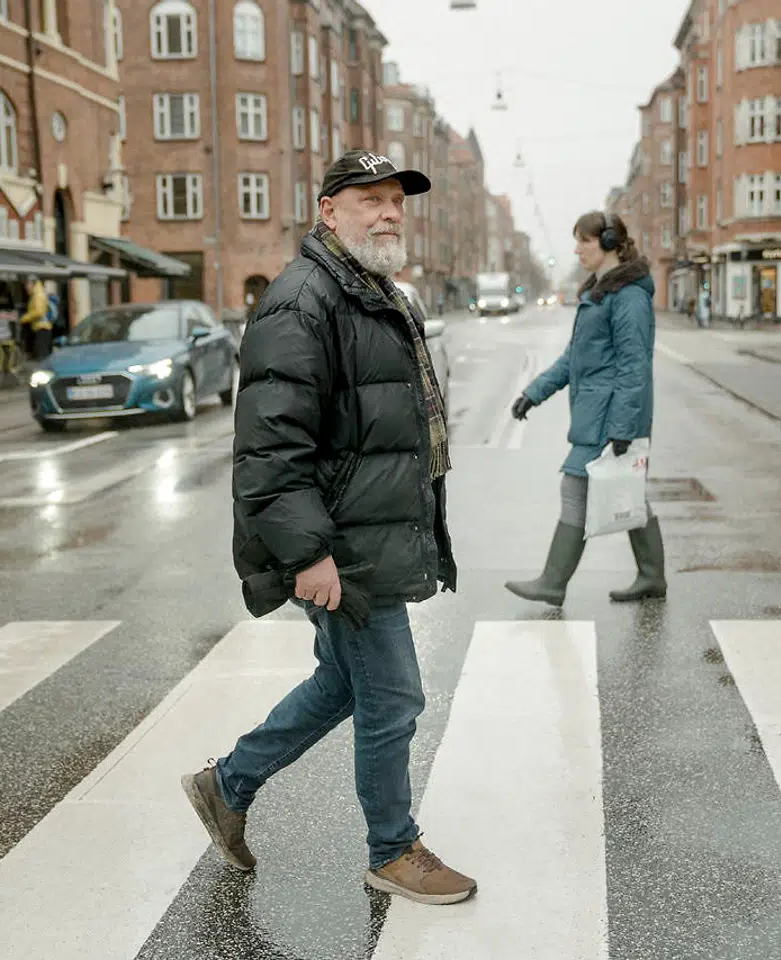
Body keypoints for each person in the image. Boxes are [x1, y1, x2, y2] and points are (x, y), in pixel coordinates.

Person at [180, 151, 473, 906]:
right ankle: (392, 849)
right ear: (328, 211)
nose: (387, 213)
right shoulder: (303, 300)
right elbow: (272, 446)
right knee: (395, 696)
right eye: (369, 199)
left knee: (346, 684)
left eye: (396, 202)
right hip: (340, 544)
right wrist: (309, 552)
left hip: (366, 532)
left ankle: (228, 782)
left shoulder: (373, 293)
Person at [506, 211, 665, 606]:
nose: (576, 250)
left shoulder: (628, 296)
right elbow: (573, 359)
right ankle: (651, 576)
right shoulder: (600, 292)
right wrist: (534, 392)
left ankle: (553, 582)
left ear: (609, 244)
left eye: (584, 242)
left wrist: (624, 427)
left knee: (576, 486)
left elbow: (635, 365)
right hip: (597, 413)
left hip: (610, 417)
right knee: (627, 494)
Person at [20, 276, 52, 360]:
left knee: (43, 355)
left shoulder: (38, 295)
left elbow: (39, 312)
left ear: (32, 284)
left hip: (42, 328)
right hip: (40, 327)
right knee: (42, 354)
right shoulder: (36, 294)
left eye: (27, 284)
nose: (26, 287)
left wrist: (24, 318)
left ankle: (45, 372)